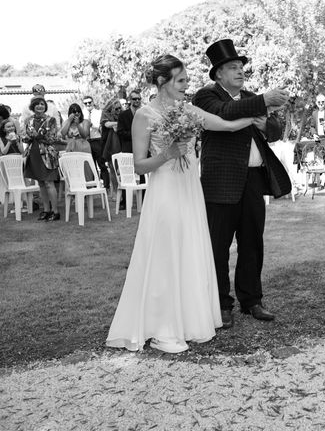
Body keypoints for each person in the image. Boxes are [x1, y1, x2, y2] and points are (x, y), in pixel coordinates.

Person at [106, 54, 257, 354]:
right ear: (162, 82)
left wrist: (254, 116)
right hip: (165, 191)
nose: (187, 86)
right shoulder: (144, 115)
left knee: (190, 248)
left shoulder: (187, 109)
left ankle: (190, 319)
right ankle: (163, 325)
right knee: (167, 252)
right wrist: (168, 154)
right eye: (181, 81)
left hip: (190, 189)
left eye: (187, 80)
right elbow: (138, 166)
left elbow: (223, 126)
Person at [192, 38, 291, 329]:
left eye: (241, 66)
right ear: (218, 74)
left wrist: (264, 123)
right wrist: (262, 102)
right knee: (218, 246)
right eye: (232, 67)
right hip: (220, 182)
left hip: (252, 180)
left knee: (252, 243)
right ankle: (221, 304)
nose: (239, 71)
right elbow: (225, 114)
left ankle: (252, 300)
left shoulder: (250, 97)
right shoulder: (205, 97)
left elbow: (275, 131)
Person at [23, 97, 61, 222]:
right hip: (33, 154)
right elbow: (25, 137)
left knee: (49, 183)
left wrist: (37, 136)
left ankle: (55, 212)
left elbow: (52, 138)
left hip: (47, 155)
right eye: (37, 104)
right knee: (40, 183)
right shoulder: (28, 120)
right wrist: (28, 137)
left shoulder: (51, 120)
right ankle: (46, 210)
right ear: (32, 107)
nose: (40, 106)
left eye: (42, 104)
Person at [83, 96, 111, 193]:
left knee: (101, 164)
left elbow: (101, 127)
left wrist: (92, 125)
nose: (88, 105)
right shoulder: (83, 114)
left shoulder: (99, 113)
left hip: (97, 139)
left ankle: (106, 186)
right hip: (87, 141)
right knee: (91, 165)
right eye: (85, 103)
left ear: (93, 102)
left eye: (89, 102)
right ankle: (94, 186)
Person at [100, 98, 122, 194]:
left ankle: (122, 191)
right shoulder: (105, 114)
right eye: (116, 109)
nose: (118, 110)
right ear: (111, 108)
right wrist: (118, 123)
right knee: (112, 168)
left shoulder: (122, 113)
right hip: (108, 144)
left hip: (121, 143)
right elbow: (107, 124)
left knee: (121, 168)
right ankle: (116, 191)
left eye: (119, 108)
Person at [117, 89, 143, 154]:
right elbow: (120, 132)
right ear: (130, 100)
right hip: (129, 150)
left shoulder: (144, 114)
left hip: (143, 149)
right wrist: (135, 134)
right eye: (135, 99)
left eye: (139, 99)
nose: (137, 100)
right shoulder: (123, 115)